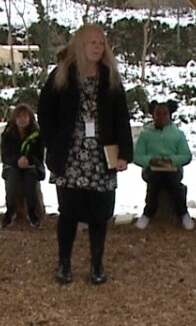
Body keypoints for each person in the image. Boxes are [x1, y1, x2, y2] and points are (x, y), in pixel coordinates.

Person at [37, 24, 133, 285]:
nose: (97, 47)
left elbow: (122, 117)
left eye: (100, 43)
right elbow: (44, 112)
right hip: (70, 156)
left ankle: (97, 265)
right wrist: (53, 142)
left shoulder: (110, 76)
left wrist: (124, 152)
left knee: (100, 213)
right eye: (92, 42)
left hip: (102, 156)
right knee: (68, 212)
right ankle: (64, 264)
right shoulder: (62, 75)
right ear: (80, 45)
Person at [133, 100, 194, 231]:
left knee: (172, 182)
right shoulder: (145, 134)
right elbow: (137, 156)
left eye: (165, 114)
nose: (161, 117)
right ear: (152, 115)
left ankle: (183, 213)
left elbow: (186, 155)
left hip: (173, 169)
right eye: (158, 114)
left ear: (170, 115)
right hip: (151, 169)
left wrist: (172, 160)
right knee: (154, 180)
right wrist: (150, 161)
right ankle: (148, 213)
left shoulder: (178, 134)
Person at [0, 104, 45, 229]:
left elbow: (40, 156)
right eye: (19, 116)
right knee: (12, 179)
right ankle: (10, 210)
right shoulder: (7, 134)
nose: (22, 119)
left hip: (32, 166)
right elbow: (5, 155)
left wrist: (28, 160)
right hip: (12, 166)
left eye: (25, 116)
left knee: (31, 178)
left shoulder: (37, 135)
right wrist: (17, 160)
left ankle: (32, 210)